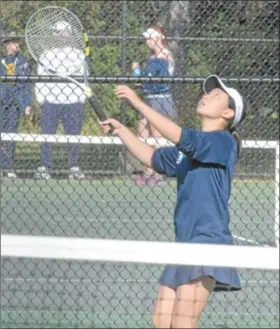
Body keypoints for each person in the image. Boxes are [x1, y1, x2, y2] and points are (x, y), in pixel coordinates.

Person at [100, 75, 246, 328]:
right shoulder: (187, 152)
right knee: (162, 322)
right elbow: (153, 157)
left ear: (227, 113)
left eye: (216, 95)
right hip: (183, 243)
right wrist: (122, 130)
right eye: (207, 92)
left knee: (182, 324)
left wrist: (140, 104)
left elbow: (182, 137)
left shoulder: (224, 142)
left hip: (207, 243)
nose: (207, 96)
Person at [34, 21, 86, 180]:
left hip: (74, 101)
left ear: (69, 34)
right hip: (50, 101)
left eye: (62, 32)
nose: (59, 35)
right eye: (56, 32)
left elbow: (84, 77)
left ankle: (74, 167)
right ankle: (44, 166)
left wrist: (81, 97)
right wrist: (41, 98)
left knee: (74, 136)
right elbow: (40, 77)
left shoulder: (79, 54)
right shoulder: (46, 54)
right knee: (46, 135)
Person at [132, 24, 177, 186]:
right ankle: (148, 172)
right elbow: (146, 82)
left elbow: (157, 82)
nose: (146, 41)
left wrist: (140, 75)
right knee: (143, 133)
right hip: (149, 98)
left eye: (149, 37)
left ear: (157, 38)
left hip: (160, 99)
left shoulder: (164, 57)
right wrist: (139, 75)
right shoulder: (152, 57)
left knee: (157, 137)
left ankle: (158, 173)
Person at [0, 32, 32, 179]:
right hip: (1, 102)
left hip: (14, 104)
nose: (16, 45)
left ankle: (9, 166)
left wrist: (26, 103)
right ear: (6, 45)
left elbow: (25, 85)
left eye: (17, 42)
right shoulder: (2, 60)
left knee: (11, 134)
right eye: (13, 42)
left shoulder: (22, 61)